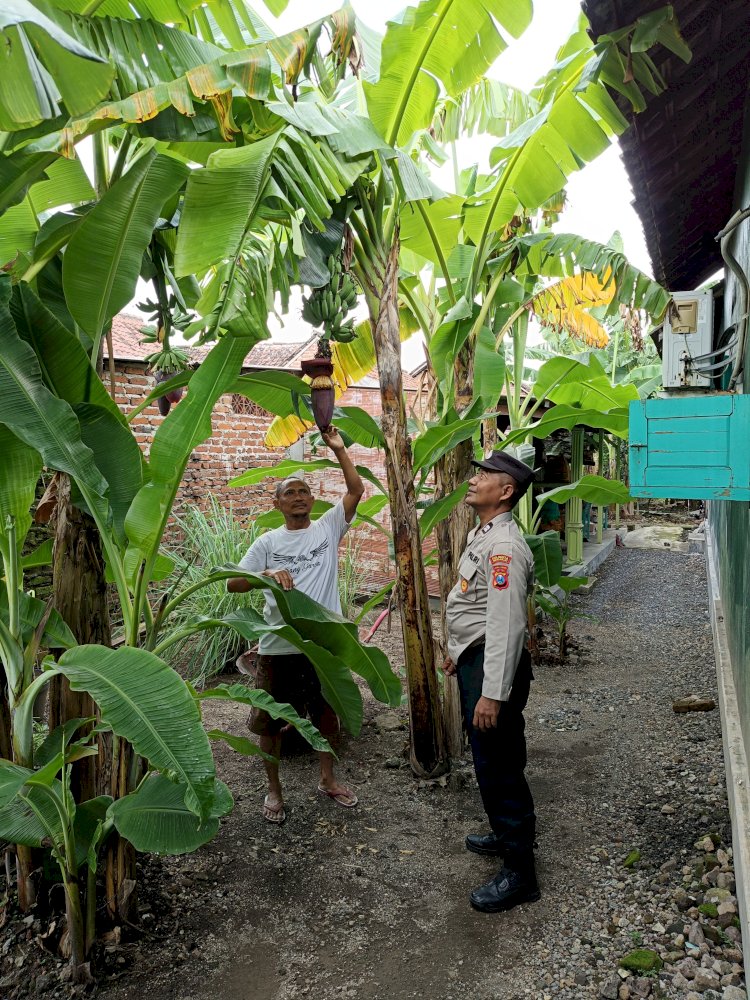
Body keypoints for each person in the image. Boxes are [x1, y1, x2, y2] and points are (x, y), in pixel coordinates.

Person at [227, 428, 364, 825]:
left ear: (313, 499)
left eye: (304, 490)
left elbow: (355, 491)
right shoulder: (267, 542)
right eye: (290, 492)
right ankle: (274, 789)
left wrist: (339, 448)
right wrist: (266, 573)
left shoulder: (327, 528)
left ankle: (327, 780)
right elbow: (235, 584)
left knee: (325, 715)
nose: (299, 496)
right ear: (278, 503)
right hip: (278, 644)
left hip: (322, 644)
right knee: (269, 721)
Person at [442, 449, 539, 913]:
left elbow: (505, 625)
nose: (473, 479)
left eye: (484, 475)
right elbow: (475, 608)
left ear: (505, 491)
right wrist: (458, 654)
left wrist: (491, 694)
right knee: (500, 758)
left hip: (492, 667)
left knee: (497, 766)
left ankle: (521, 874)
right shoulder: (485, 535)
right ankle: (506, 837)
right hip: (477, 659)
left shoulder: (503, 547)